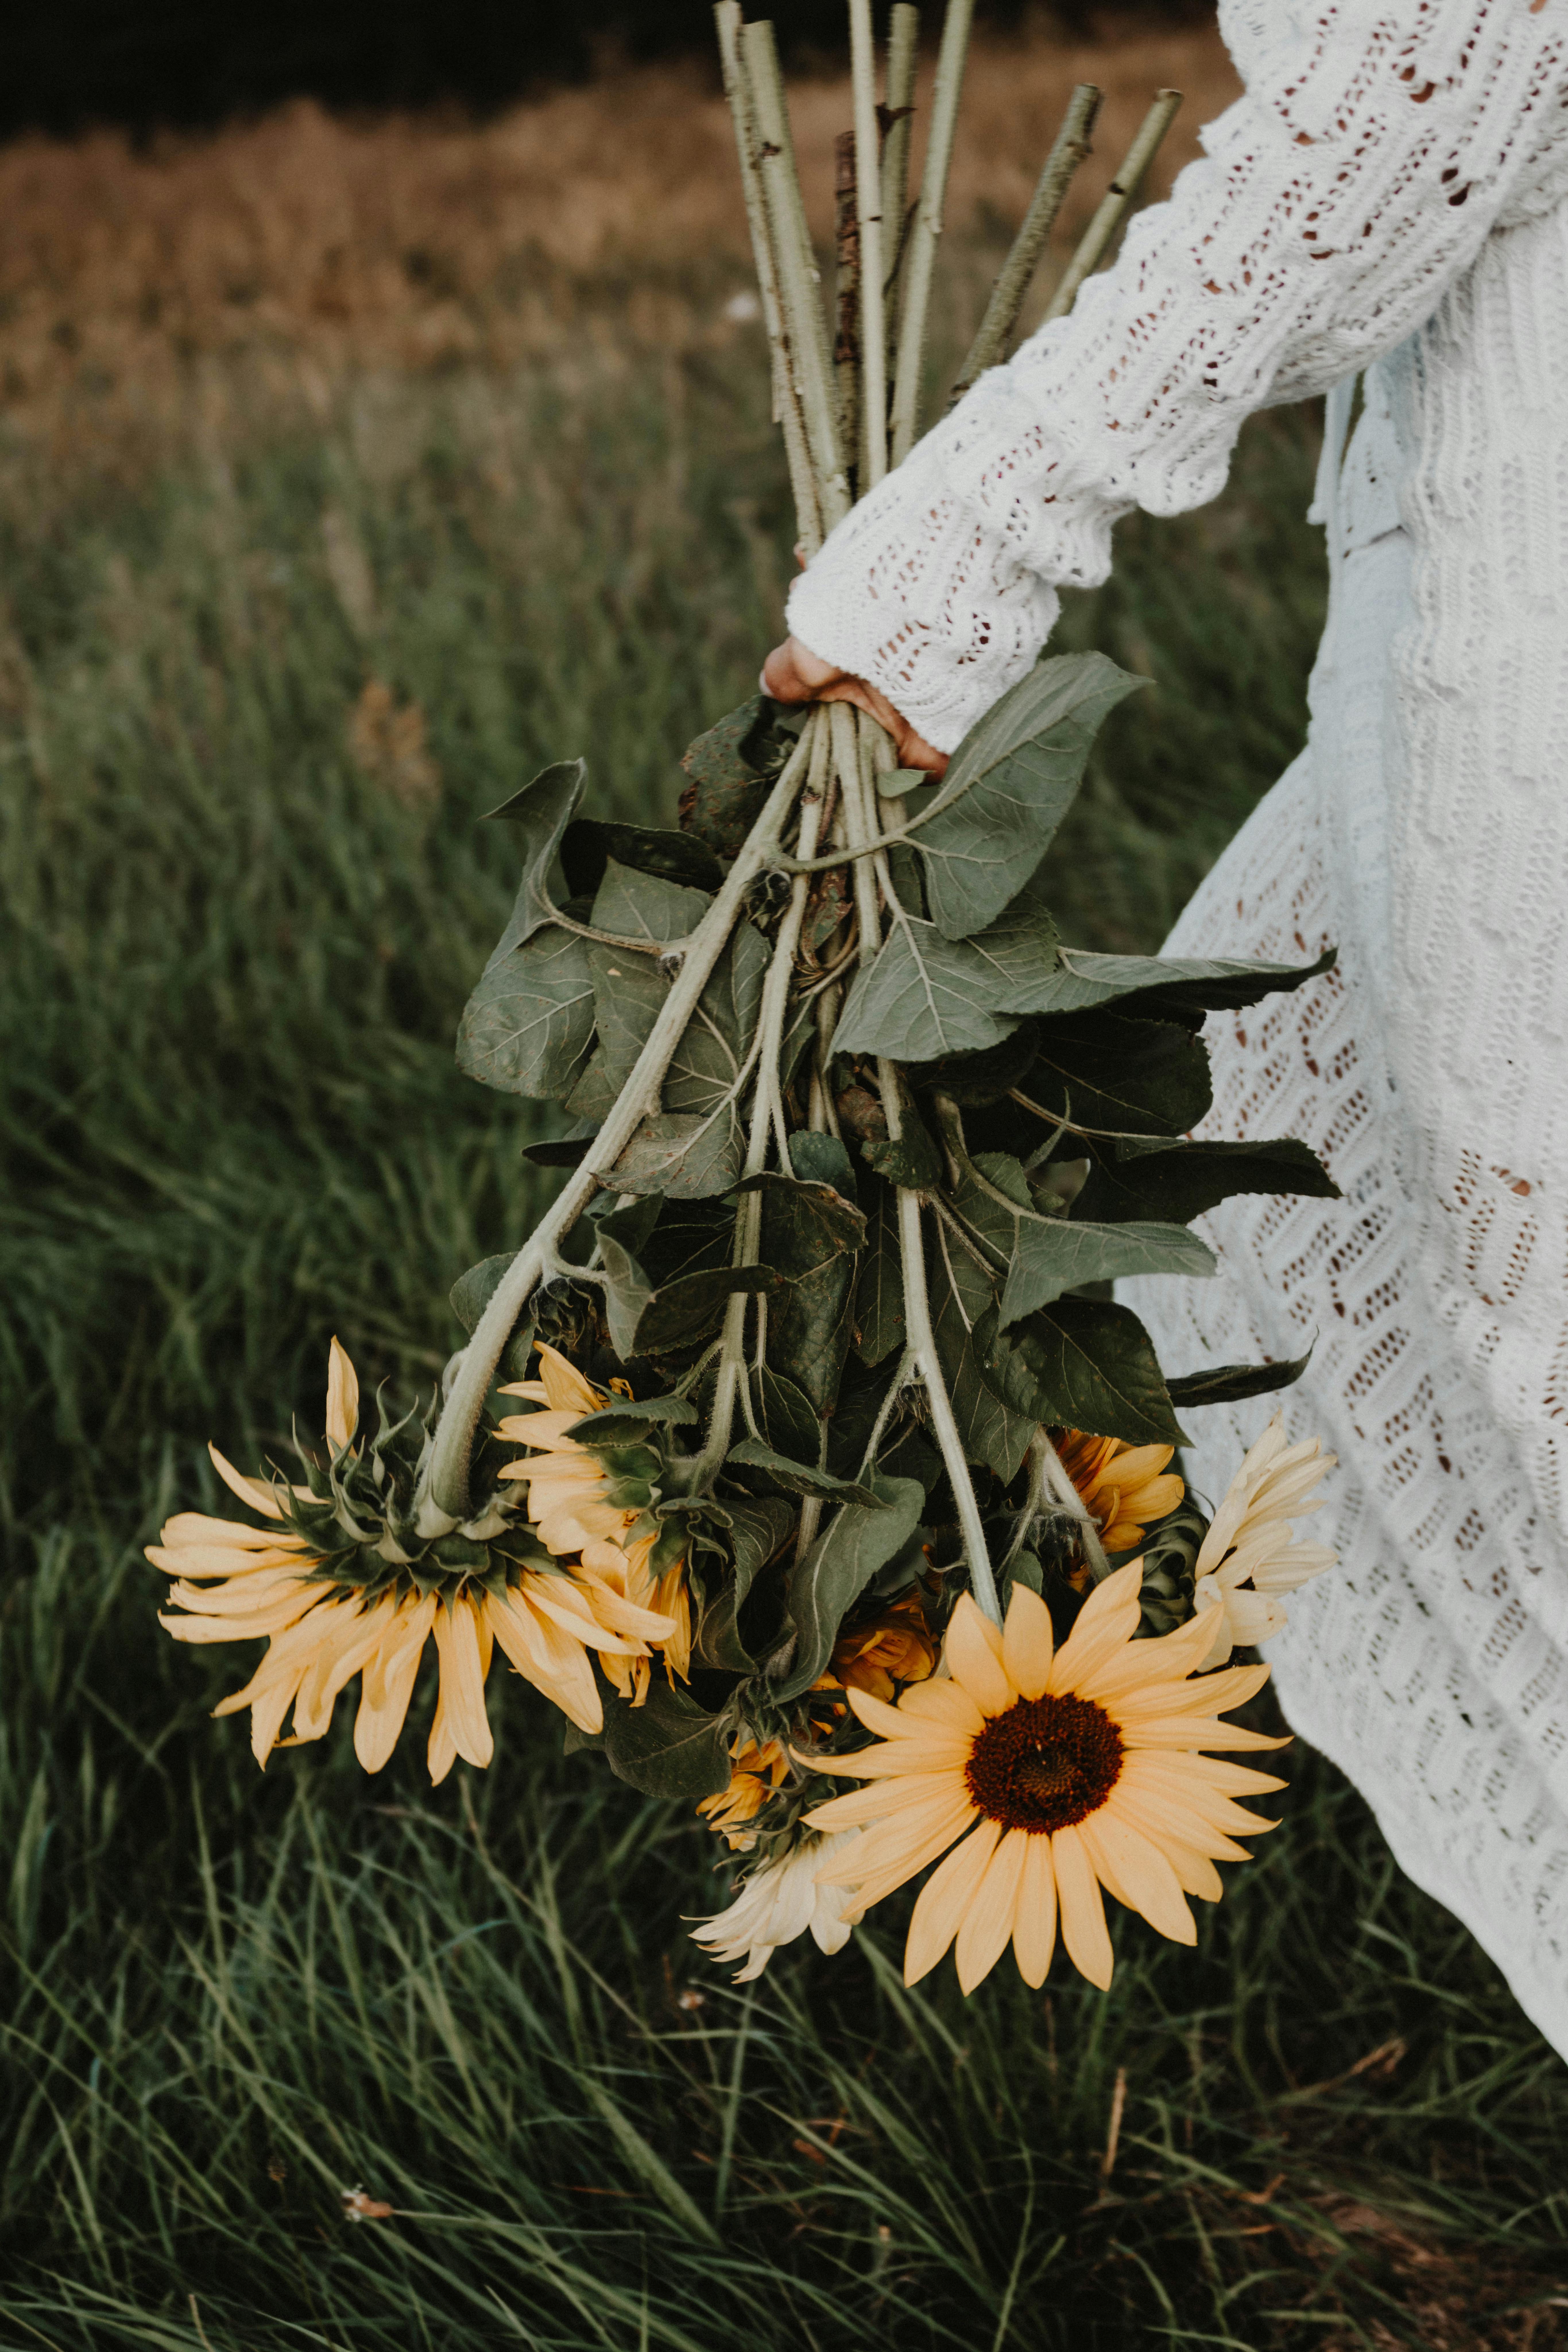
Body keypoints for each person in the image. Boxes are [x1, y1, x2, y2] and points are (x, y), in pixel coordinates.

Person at [764, 0, 1568, 2053]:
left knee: (1515, 1311)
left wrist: (974, 533)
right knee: (1263, 1181)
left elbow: (1437, 85)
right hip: (1474, 519)